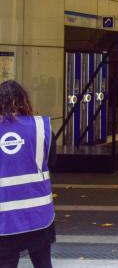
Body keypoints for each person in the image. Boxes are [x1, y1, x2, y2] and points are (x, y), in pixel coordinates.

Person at [0, 80, 56, 268]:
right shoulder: (42, 127)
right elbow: (51, 161)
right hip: (39, 215)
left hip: (5, 219)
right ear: (24, 100)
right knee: (43, 264)